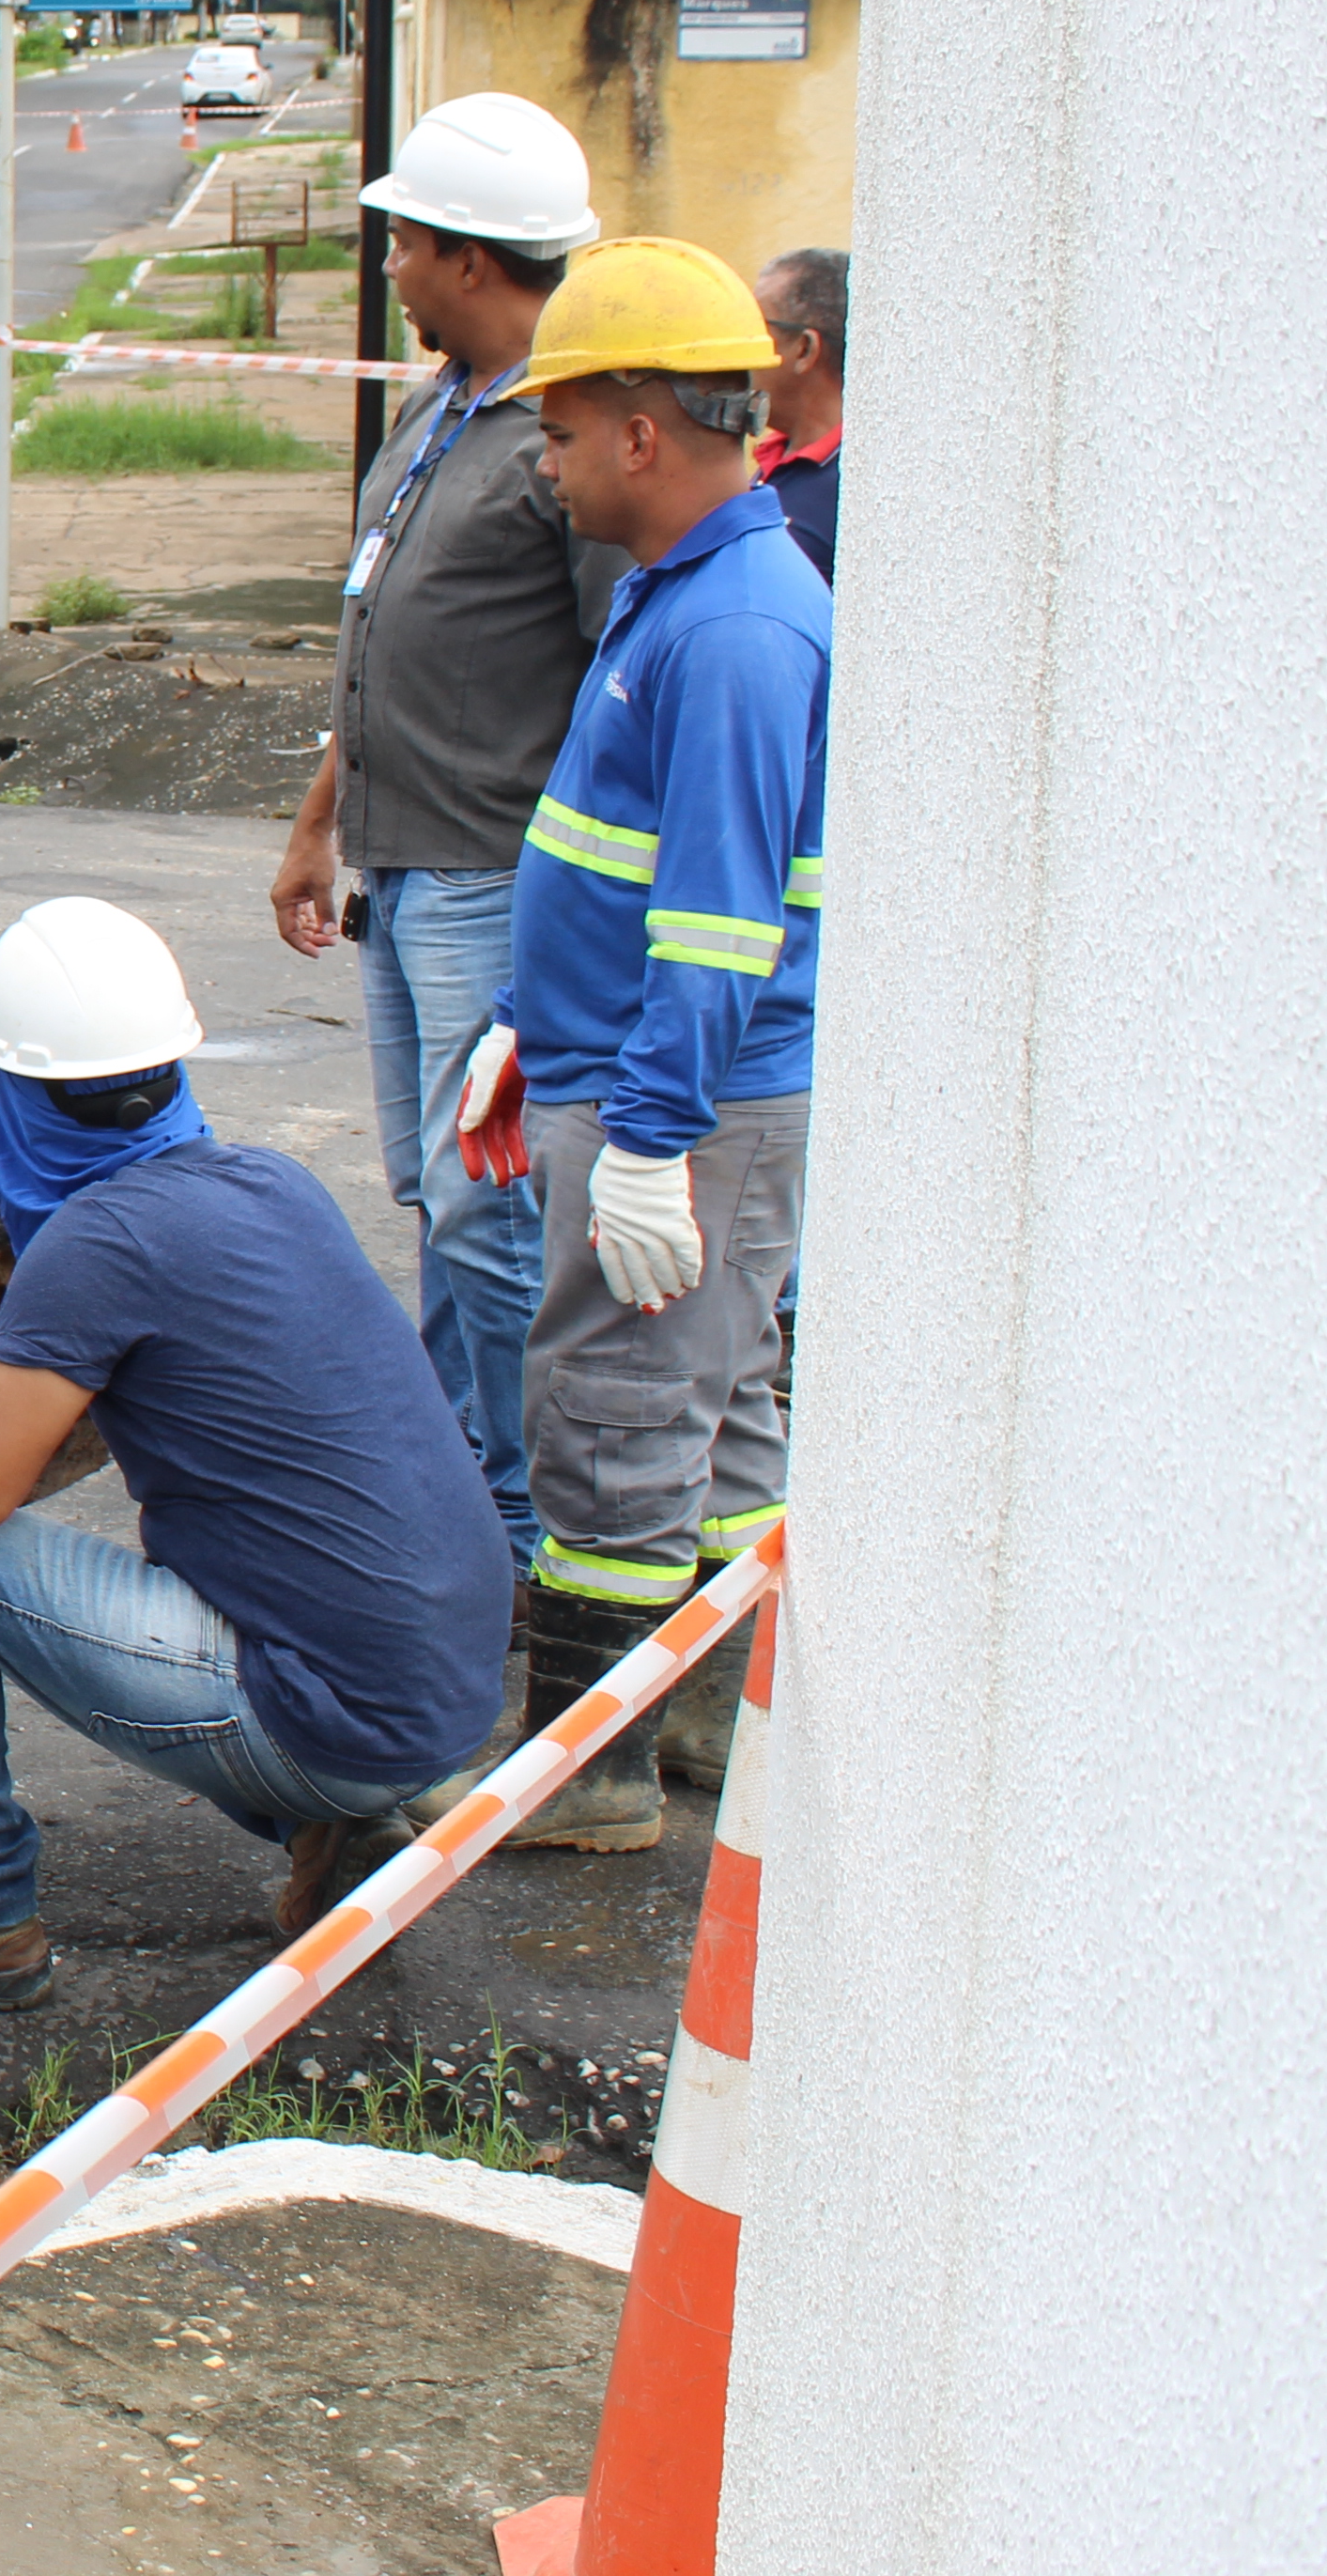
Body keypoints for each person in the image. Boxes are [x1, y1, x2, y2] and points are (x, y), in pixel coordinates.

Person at [0, 900, 513, 2009]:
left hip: (347, 1711)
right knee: (223, 1527)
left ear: (11, 1093)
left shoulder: (95, 1245)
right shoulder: (274, 1182)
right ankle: (348, 1823)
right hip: (451, 1690)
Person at [440, 237, 824, 1854]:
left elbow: (718, 923)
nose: (543, 460)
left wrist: (653, 1133)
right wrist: (530, 1023)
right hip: (631, 1069)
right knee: (717, 1405)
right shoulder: (684, 594)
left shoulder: (734, 630)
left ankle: (583, 1767)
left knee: (608, 1411)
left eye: (558, 429)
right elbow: (618, 857)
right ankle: (698, 1719)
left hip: (688, 1101)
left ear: (641, 435)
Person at [268, 90, 620, 1564]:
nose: (391, 266)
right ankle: (456, 1478)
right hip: (404, 873)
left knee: (488, 1215)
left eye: (405, 242)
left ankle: (523, 1516)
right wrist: (317, 827)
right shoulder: (439, 413)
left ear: (473, 260)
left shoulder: (568, 435)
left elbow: (618, 681)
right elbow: (378, 635)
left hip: (496, 883)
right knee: (432, 1193)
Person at [752, 247, 849, 582]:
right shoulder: (768, 464)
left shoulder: (858, 486)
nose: (738, 348)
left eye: (754, 329)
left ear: (805, 349)